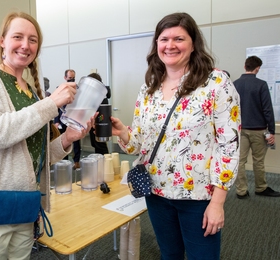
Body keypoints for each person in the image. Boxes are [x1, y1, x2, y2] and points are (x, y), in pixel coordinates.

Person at [0, 12, 92, 260]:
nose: (25, 45)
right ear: (3, 41)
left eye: (33, 40)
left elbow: (36, 159)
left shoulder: (31, 94)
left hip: (24, 210)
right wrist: (51, 103)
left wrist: (68, 138)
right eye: (18, 37)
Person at [110, 12, 241, 259]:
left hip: (199, 196)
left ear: (193, 45)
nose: (170, 45)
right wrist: (124, 133)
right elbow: (139, 144)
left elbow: (229, 146)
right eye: (164, 39)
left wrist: (218, 203)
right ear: (156, 45)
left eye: (179, 39)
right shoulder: (150, 87)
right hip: (157, 193)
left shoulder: (216, 83)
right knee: (169, 255)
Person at [233, 56, 279, 199]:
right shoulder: (261, 84)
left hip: (240, 129)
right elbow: (267, 109)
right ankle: (260, 187)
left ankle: (241, 190)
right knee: (258, 161)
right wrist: (271, 131)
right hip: (258, 130)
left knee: (240, 161)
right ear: (257, 68)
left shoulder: (234, 84)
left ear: (244, 66)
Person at [54, 69, 82, 168]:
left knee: (76, 142)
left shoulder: (79, 90)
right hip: (62, 119)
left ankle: (77, 162)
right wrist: (56, 121)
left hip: (74, 120)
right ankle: (64, 163)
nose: (71, 80)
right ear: (65, 78)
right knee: (63, 142)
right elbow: (56, 106)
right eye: (70, 78)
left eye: (73, 78)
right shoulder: (60, 89)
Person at [87, 72, 110, 154]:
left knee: (100, 145)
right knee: (95, 144)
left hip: (100, 122)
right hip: (93, 121)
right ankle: (100, 161)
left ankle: (106, 162)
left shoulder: (101, 94)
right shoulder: (94, 93)